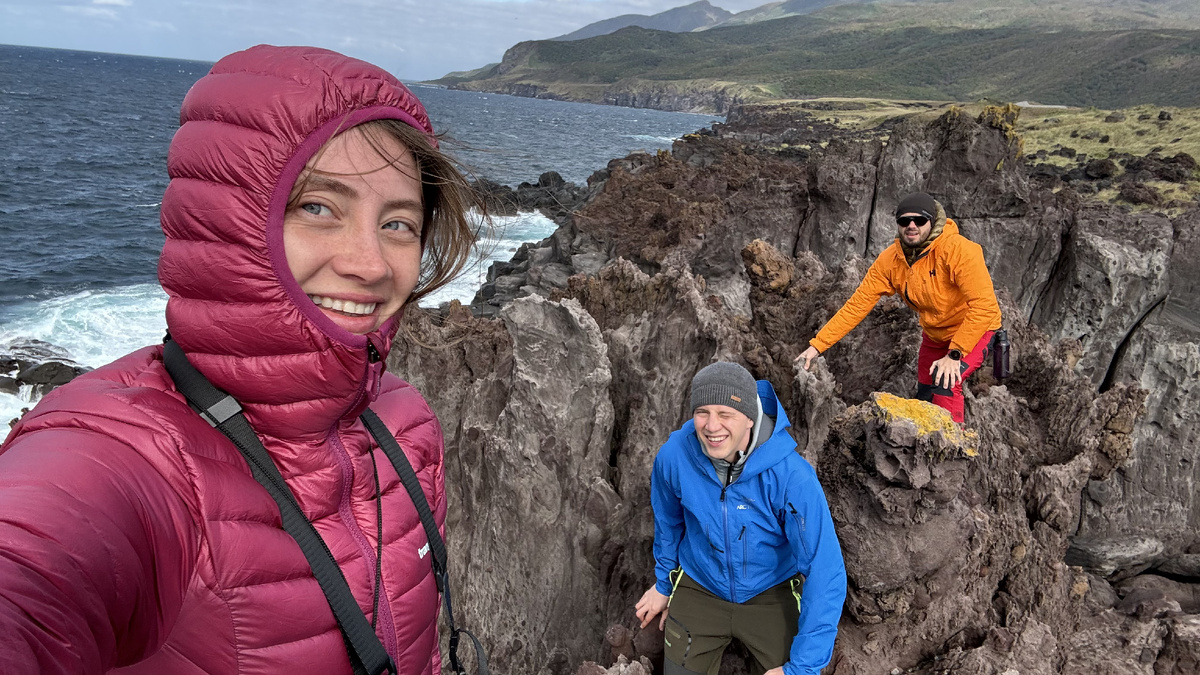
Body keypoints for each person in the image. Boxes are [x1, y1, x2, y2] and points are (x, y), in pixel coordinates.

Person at [0, 45, 479, 674]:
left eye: (398, 224)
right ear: (226, 223)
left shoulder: (404, 423)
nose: (370, 263)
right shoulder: (119, 454)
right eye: (317, 208)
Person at [635, 362, 846, 675]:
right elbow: (668, 523)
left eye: (725, 414)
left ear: (750, 417)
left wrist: (800, 669)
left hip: (770, 591)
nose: (711, 426)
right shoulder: (674, 457)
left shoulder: (791, 477)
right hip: (700, 585)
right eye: (702, 412)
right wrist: (665, 584)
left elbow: (824, 571)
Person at [795, 193, 1002, 424]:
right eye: (904, 221)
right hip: (936, 334)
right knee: (925, 391)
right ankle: (922, 438)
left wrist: (955, 354)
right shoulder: (891, 260)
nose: (911, 226)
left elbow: (984, 306)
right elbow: (857, 305)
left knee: (945, 383)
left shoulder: (959, 250)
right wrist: (817, 346)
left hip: (976, 329)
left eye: (919, 220)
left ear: (933, 222)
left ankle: (953, 450)